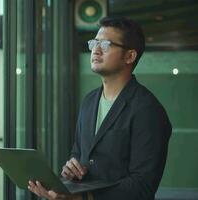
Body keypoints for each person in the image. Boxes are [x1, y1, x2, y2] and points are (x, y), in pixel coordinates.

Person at [28, 16, 172, 200]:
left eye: (105, 44)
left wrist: (82, 198)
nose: (95, 50)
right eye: (94, 43)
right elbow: (79, 154)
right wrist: (70, 171)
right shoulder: (89, 101)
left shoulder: (148, 110)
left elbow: (142, 186)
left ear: (129, 56)